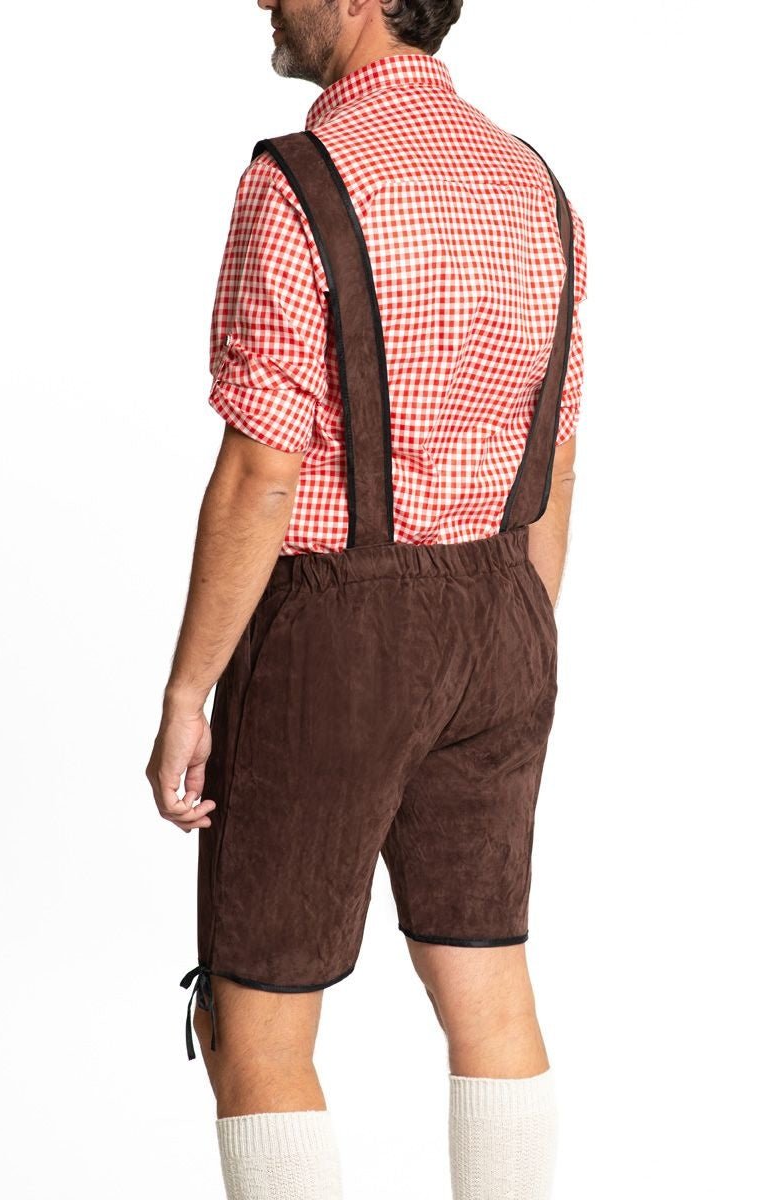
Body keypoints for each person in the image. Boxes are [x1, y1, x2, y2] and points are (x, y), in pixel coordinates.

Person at [145, 1, 587, 1197]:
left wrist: (190, 693)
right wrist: (519, 637)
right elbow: (554, 452)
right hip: (506, 615)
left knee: (257, 1025)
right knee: (489, 990)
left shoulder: (299, 180)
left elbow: (263, 468)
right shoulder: (532, 183)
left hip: (338, 634)